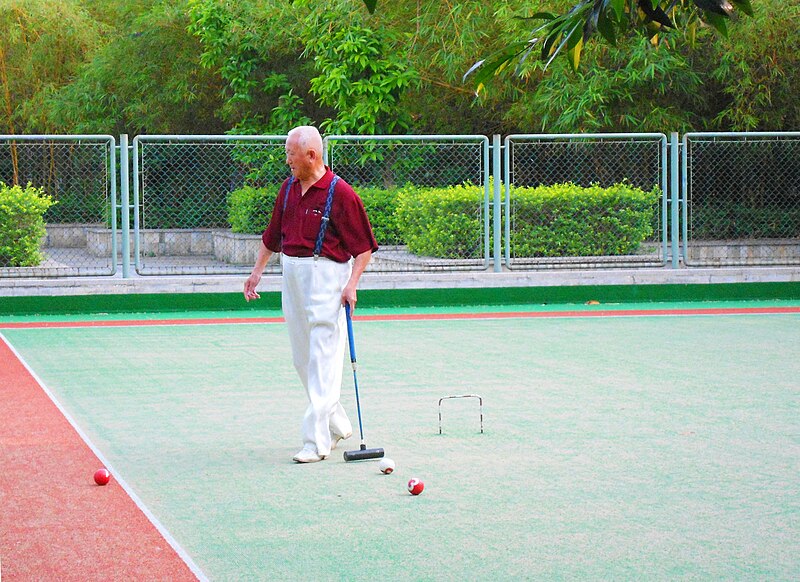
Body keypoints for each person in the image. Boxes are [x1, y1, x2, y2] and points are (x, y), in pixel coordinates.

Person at [243, 126, 378, 463]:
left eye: (292, 154)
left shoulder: (342, 194)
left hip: (327, 277)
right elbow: (272, 236)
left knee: (322, 358)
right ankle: (336, 424)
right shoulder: (288, 189)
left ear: (312, 155)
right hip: (292, 274)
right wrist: (257, 271)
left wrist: (352, 284)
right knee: (302, 359)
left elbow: (364, 249)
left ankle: (315, 442)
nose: (287, 160)